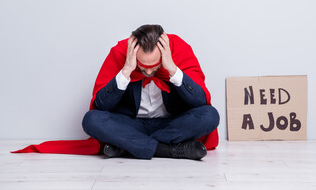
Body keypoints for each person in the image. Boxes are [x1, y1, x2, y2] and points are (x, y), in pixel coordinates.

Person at [82, 24, 220, 160]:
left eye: (154, 65)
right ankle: (168, 150)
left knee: (210, 115)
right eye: (142, 66)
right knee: (91, 119)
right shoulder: (120, 53)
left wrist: (172, 68)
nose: (148, 72)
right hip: (132, 125)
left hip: (171, 125)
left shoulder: (179, 50)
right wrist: (126, 71)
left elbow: (200, 101)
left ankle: (127, 146)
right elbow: (101, 106)